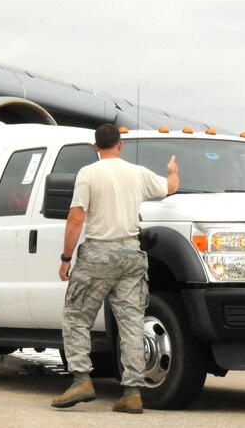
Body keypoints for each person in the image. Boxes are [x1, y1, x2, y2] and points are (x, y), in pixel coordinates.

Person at [52, 124, 179, 414]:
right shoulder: (138, 172)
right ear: (120, 145)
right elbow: (170, 188)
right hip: (132, 254)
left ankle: (82, 380)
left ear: (96, 147)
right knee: (132, 323)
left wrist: (66, 257)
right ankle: (132, 392)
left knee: (76, 316)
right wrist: (173, 170)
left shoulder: (88, 173)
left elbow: (76, 219)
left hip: (98, 253)